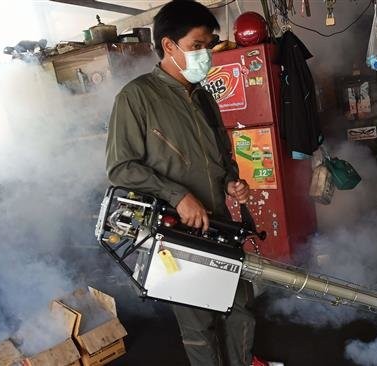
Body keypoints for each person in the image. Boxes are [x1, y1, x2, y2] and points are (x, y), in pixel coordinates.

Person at [105, 1, 255, 365]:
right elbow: (120, 168)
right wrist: (179, 195)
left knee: (240, 309)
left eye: (209, 45)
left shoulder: (204, 96)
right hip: (174, 232)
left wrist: (231, 181)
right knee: (199, 322)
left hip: (218, 223)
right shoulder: (136, 97)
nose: (205, 54)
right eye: (196, 46)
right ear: (169, 46)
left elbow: (219, 153)